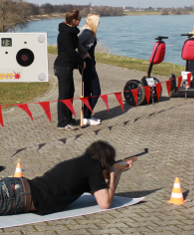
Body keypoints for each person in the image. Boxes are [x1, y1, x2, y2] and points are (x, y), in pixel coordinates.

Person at [0, 140, 133, 215]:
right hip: (16, 195)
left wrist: (114, 174)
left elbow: (99, 194)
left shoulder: (82, 164)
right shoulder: (93, 167)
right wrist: (115, 174)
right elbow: (105, 203)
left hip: (16, 189)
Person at [54, 8, 86, 130]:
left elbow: (77, 47)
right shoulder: (65, 34)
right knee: (64, 94)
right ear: (73, 20)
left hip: (67, 66)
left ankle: (68, 118)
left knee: (70, 92)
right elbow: (71, 52)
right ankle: (62, 122)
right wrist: (80, 62)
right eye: (79, 19)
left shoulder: (72, 32)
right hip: (62, 66)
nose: (80, 21)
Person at [78, 13, 101, 126]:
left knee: (87, 92)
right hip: (87, 66)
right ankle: (86, 116)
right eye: (98, 21)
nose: (99, 23)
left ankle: (86, 116)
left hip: (89, 65)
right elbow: (77, 43)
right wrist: (85, 54)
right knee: (96, 92)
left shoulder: (87, 31)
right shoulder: (87, 33)